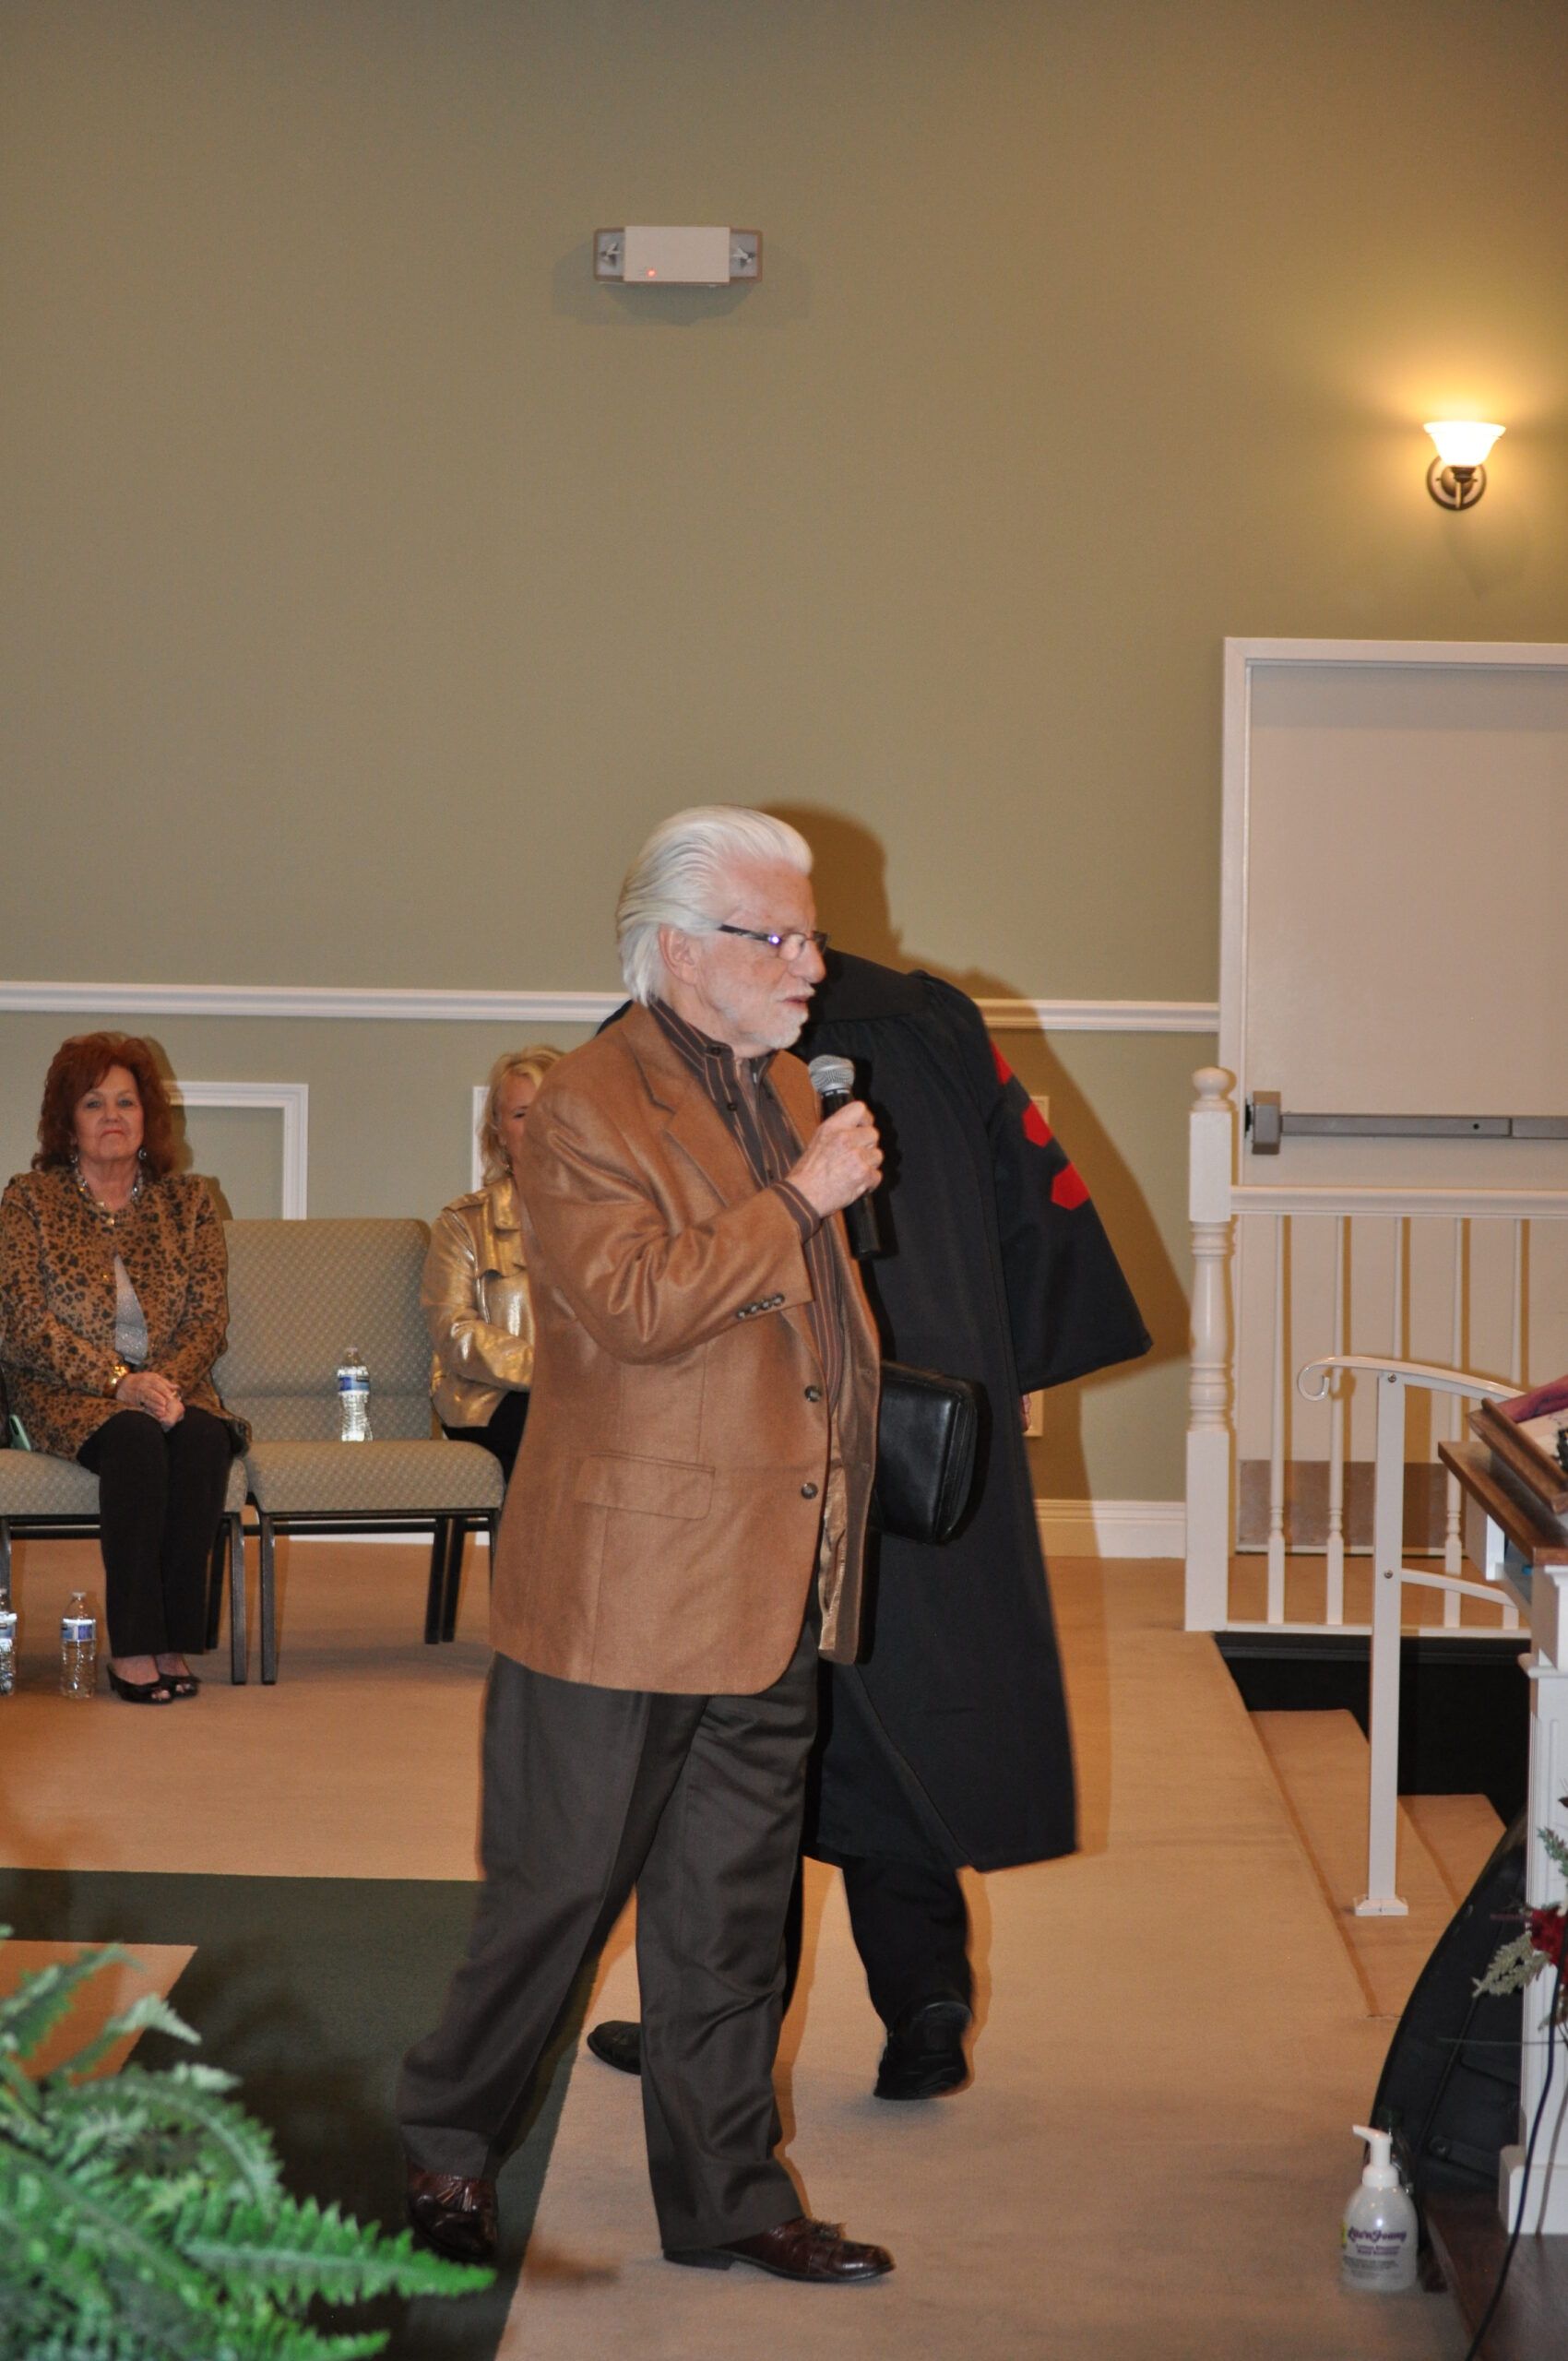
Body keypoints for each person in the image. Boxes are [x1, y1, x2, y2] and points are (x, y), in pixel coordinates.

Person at [398, 808, 894, 2284]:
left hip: (768, 1575)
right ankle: (446, 2141)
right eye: (779, 936)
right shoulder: (588, 1107)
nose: (811, 962)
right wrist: (798, 1201)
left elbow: (814, 1329)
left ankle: (730, 2197)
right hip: (623, 1590)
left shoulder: (789, 1084)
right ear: (682, 948)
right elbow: (632, 1306)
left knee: (731, 1918)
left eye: (808, 933)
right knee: (555, 1900)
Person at [588, 948, 1150, 2100]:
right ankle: (926, 2004)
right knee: (902, 1704)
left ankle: (713, 2016)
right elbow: (1034, 1206)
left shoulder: (670, 1016)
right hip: (919, 1425)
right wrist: (983, 1369)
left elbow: (636, 1243)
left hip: (748, 1426)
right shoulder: (934, 1014)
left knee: (739, 1730)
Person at [0, 1034, 245, 1705]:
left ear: (147, 1117)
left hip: (173, 1383)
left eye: (126, 1101)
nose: (112, 1115)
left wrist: (162, 1382)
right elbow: (21, 1325)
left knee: (201, 1439)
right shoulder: (30, 1201)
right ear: (67, 1123)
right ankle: (136, 1647)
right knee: (136, 1441)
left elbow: (207, 1319)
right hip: (66, 1391)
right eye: (93, 1102)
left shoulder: (188, 1202)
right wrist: (118, 1382)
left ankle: (174, 1639)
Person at [422, 1046, 564, 1485]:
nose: (538, 1126)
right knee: (561, 1440)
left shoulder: (608, 1219)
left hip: (583, 1396)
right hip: (485, 1400)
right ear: (499, 1132)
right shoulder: (464, 1224)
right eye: (522, 1115)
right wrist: (549, 1370)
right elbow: (454, 1330)